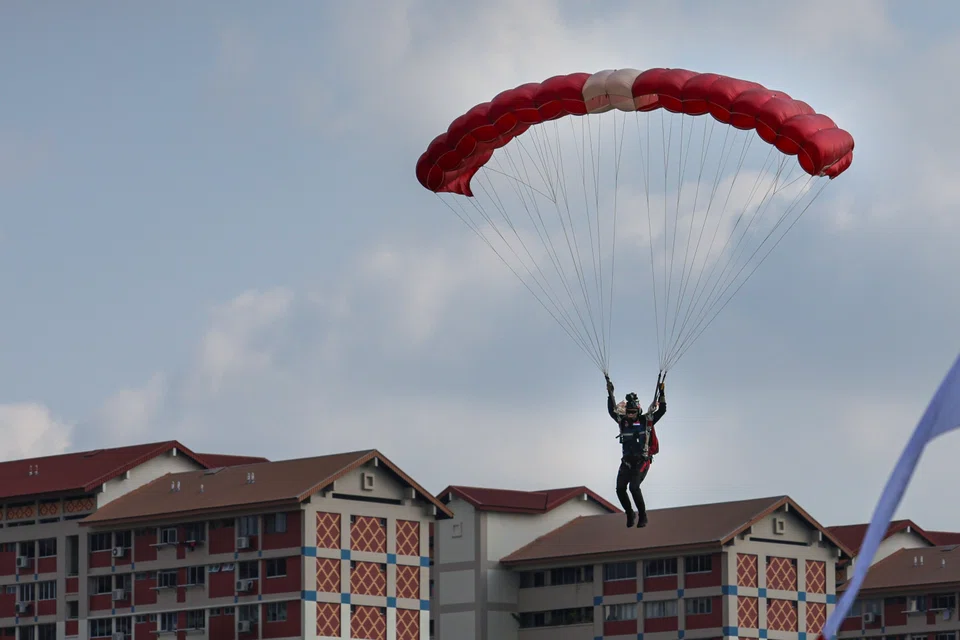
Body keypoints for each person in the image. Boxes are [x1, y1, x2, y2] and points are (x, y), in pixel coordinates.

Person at [606, 375, 666, 528]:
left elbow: (662, 410)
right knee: (620, 489)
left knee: (634, 487)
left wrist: (662, 393)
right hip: (626, 462)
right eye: (628, 412)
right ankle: (630, 513)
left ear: (638, 411)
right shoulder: (622, 422)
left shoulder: (647, 421)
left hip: (642, 461)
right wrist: (609, 394)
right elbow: (611, 411)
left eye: (633, 412)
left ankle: (643, 516)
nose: (630, 415)